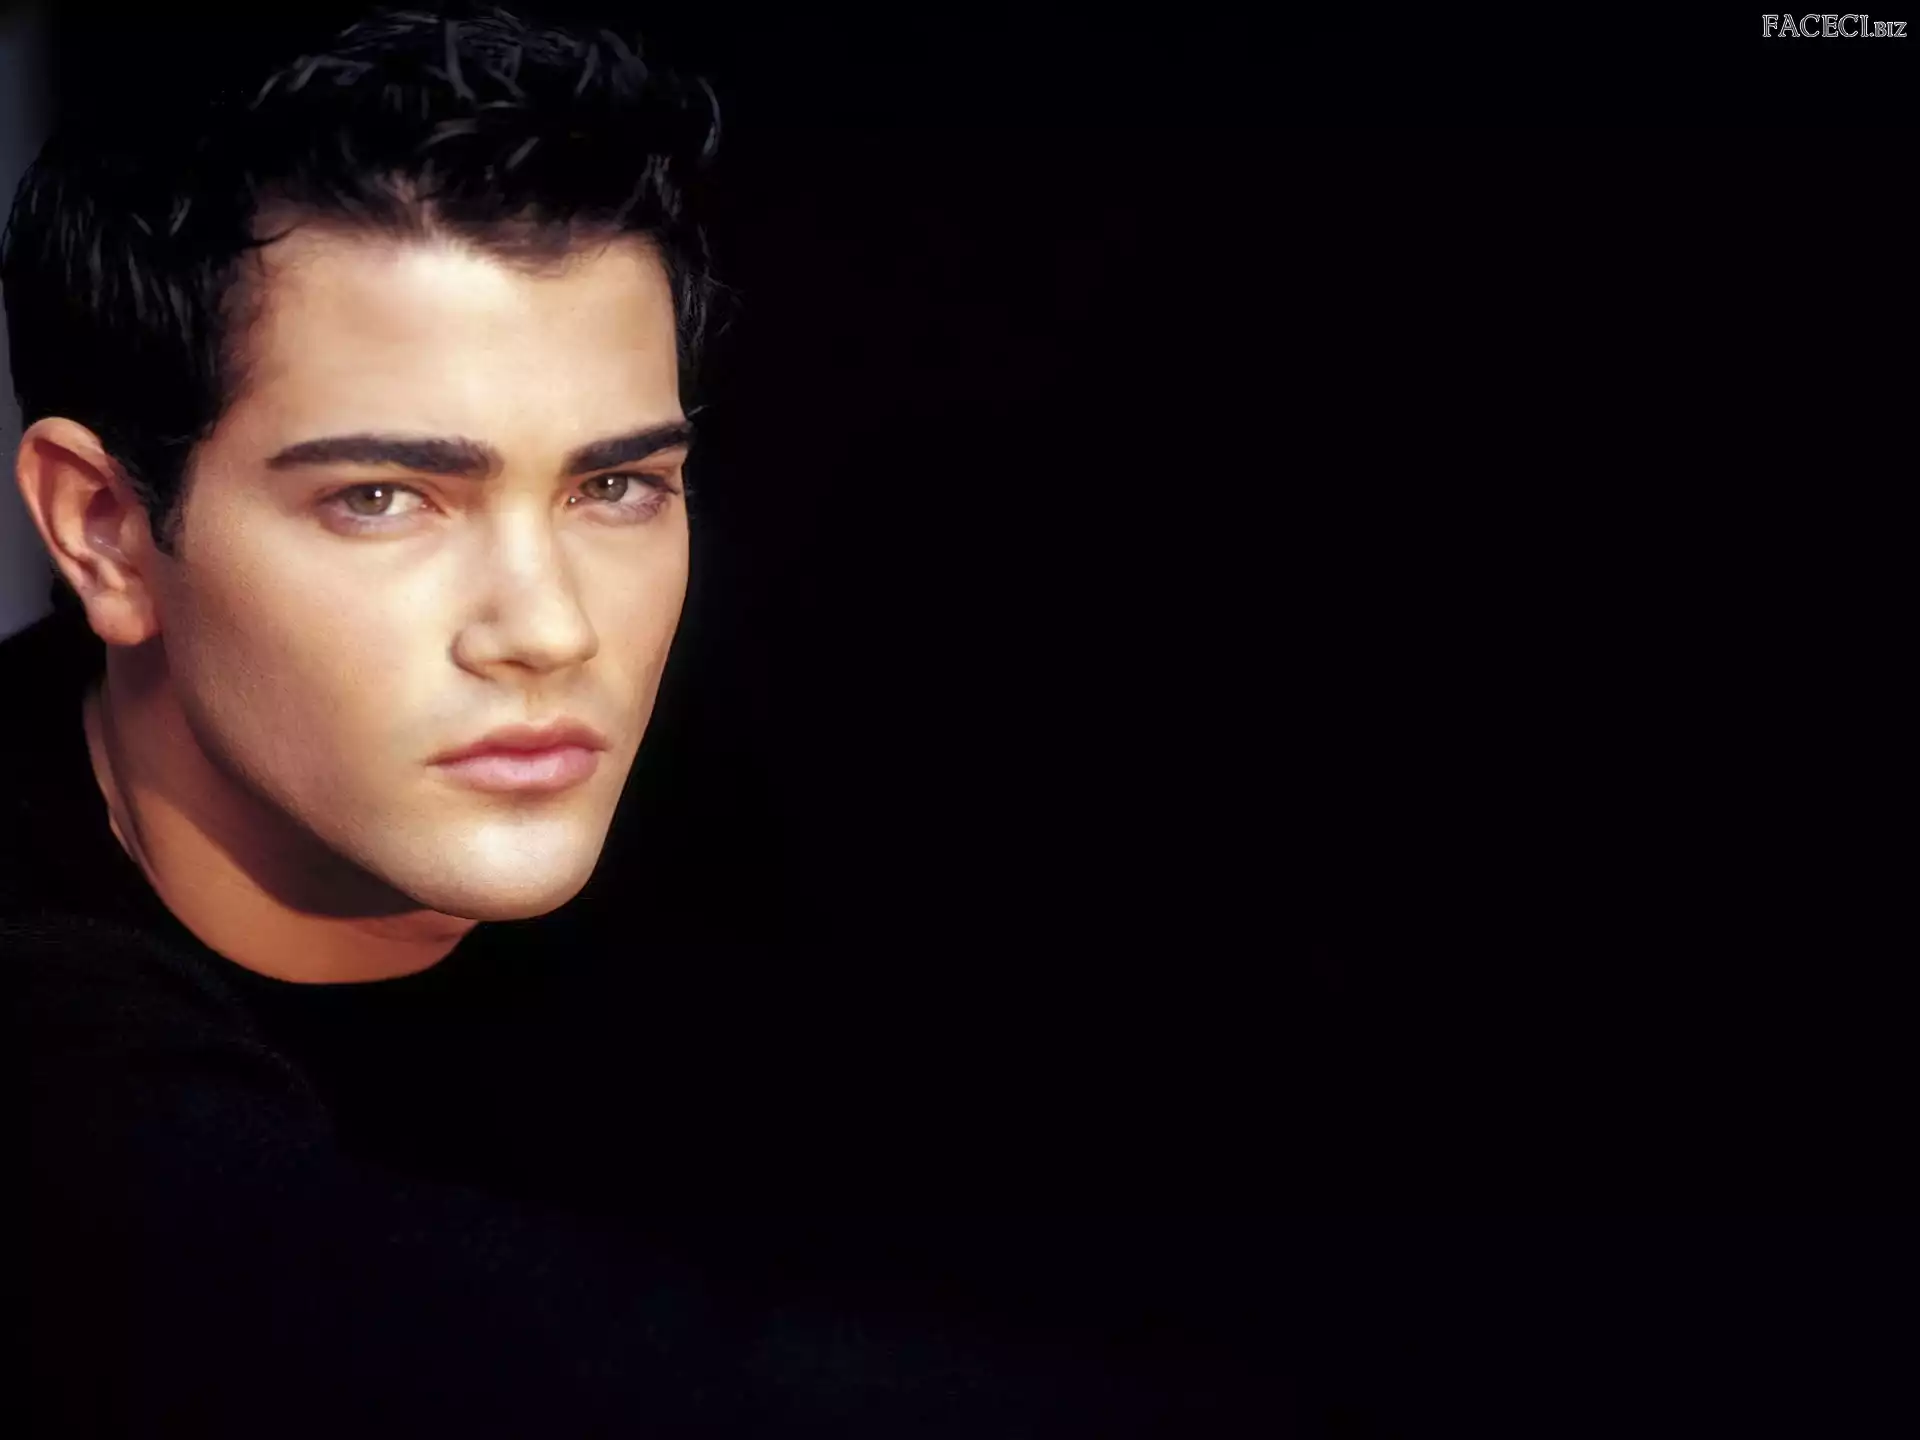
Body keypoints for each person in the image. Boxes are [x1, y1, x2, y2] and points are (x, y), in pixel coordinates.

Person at [1, 8, 1196, 1434]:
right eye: (383, 498)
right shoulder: (57, 1057)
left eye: (614, 487)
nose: (550, 627)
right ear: (106, 530)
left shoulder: (808, 840)